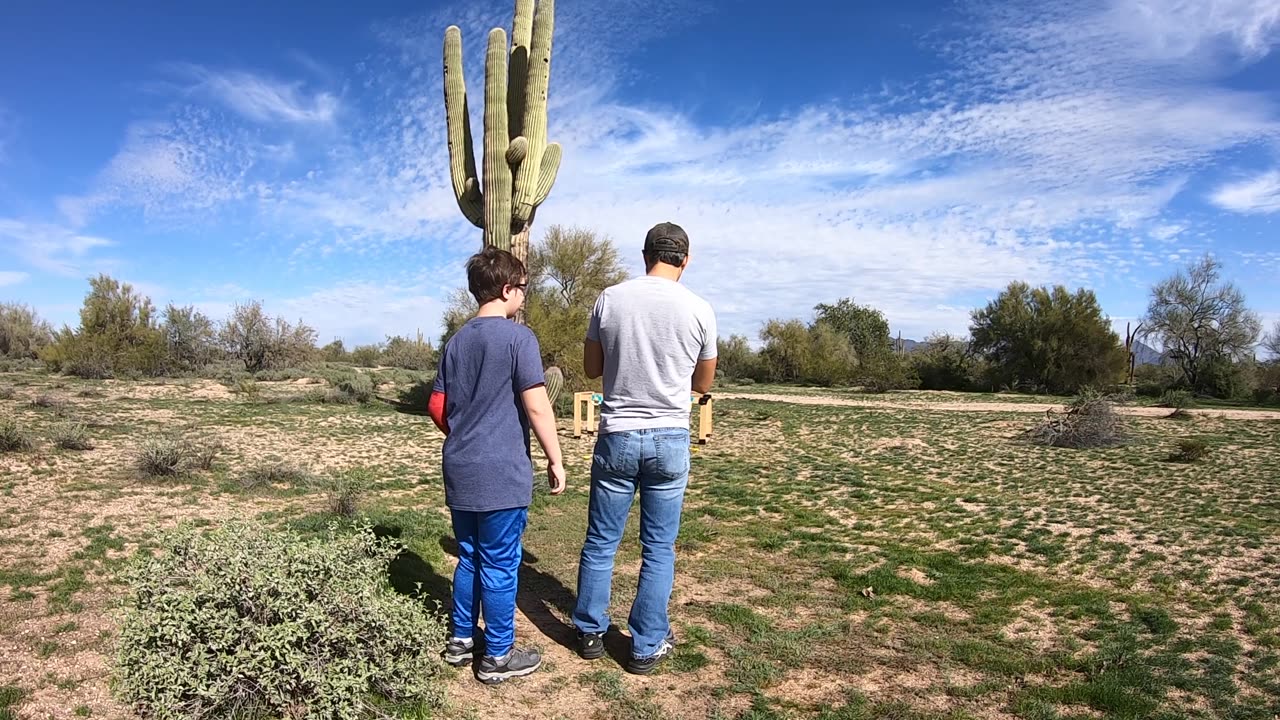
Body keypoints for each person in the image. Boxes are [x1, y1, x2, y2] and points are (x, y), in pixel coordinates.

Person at [571, 221, 717, 675]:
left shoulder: (610, 299)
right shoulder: (699, 309)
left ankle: (590, 630)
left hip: (617, 433)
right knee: (658, 547)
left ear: (644, 254)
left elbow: (593, 368)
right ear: (686, 259)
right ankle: (646, 643)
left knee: (601, 541)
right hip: (670, 436)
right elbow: (703, 383)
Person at [427, 246, 567, 685]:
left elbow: (437, 406)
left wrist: (463, 434)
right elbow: (539, 407)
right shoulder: (518, 339)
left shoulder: (457, 341)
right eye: (523, 288)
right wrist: (555, 457)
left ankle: (462, 639)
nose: (524, 296)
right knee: (501, 563)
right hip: (500, 470)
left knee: (469, 556)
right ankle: (499, 656)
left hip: (460, 465)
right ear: (507, 289)